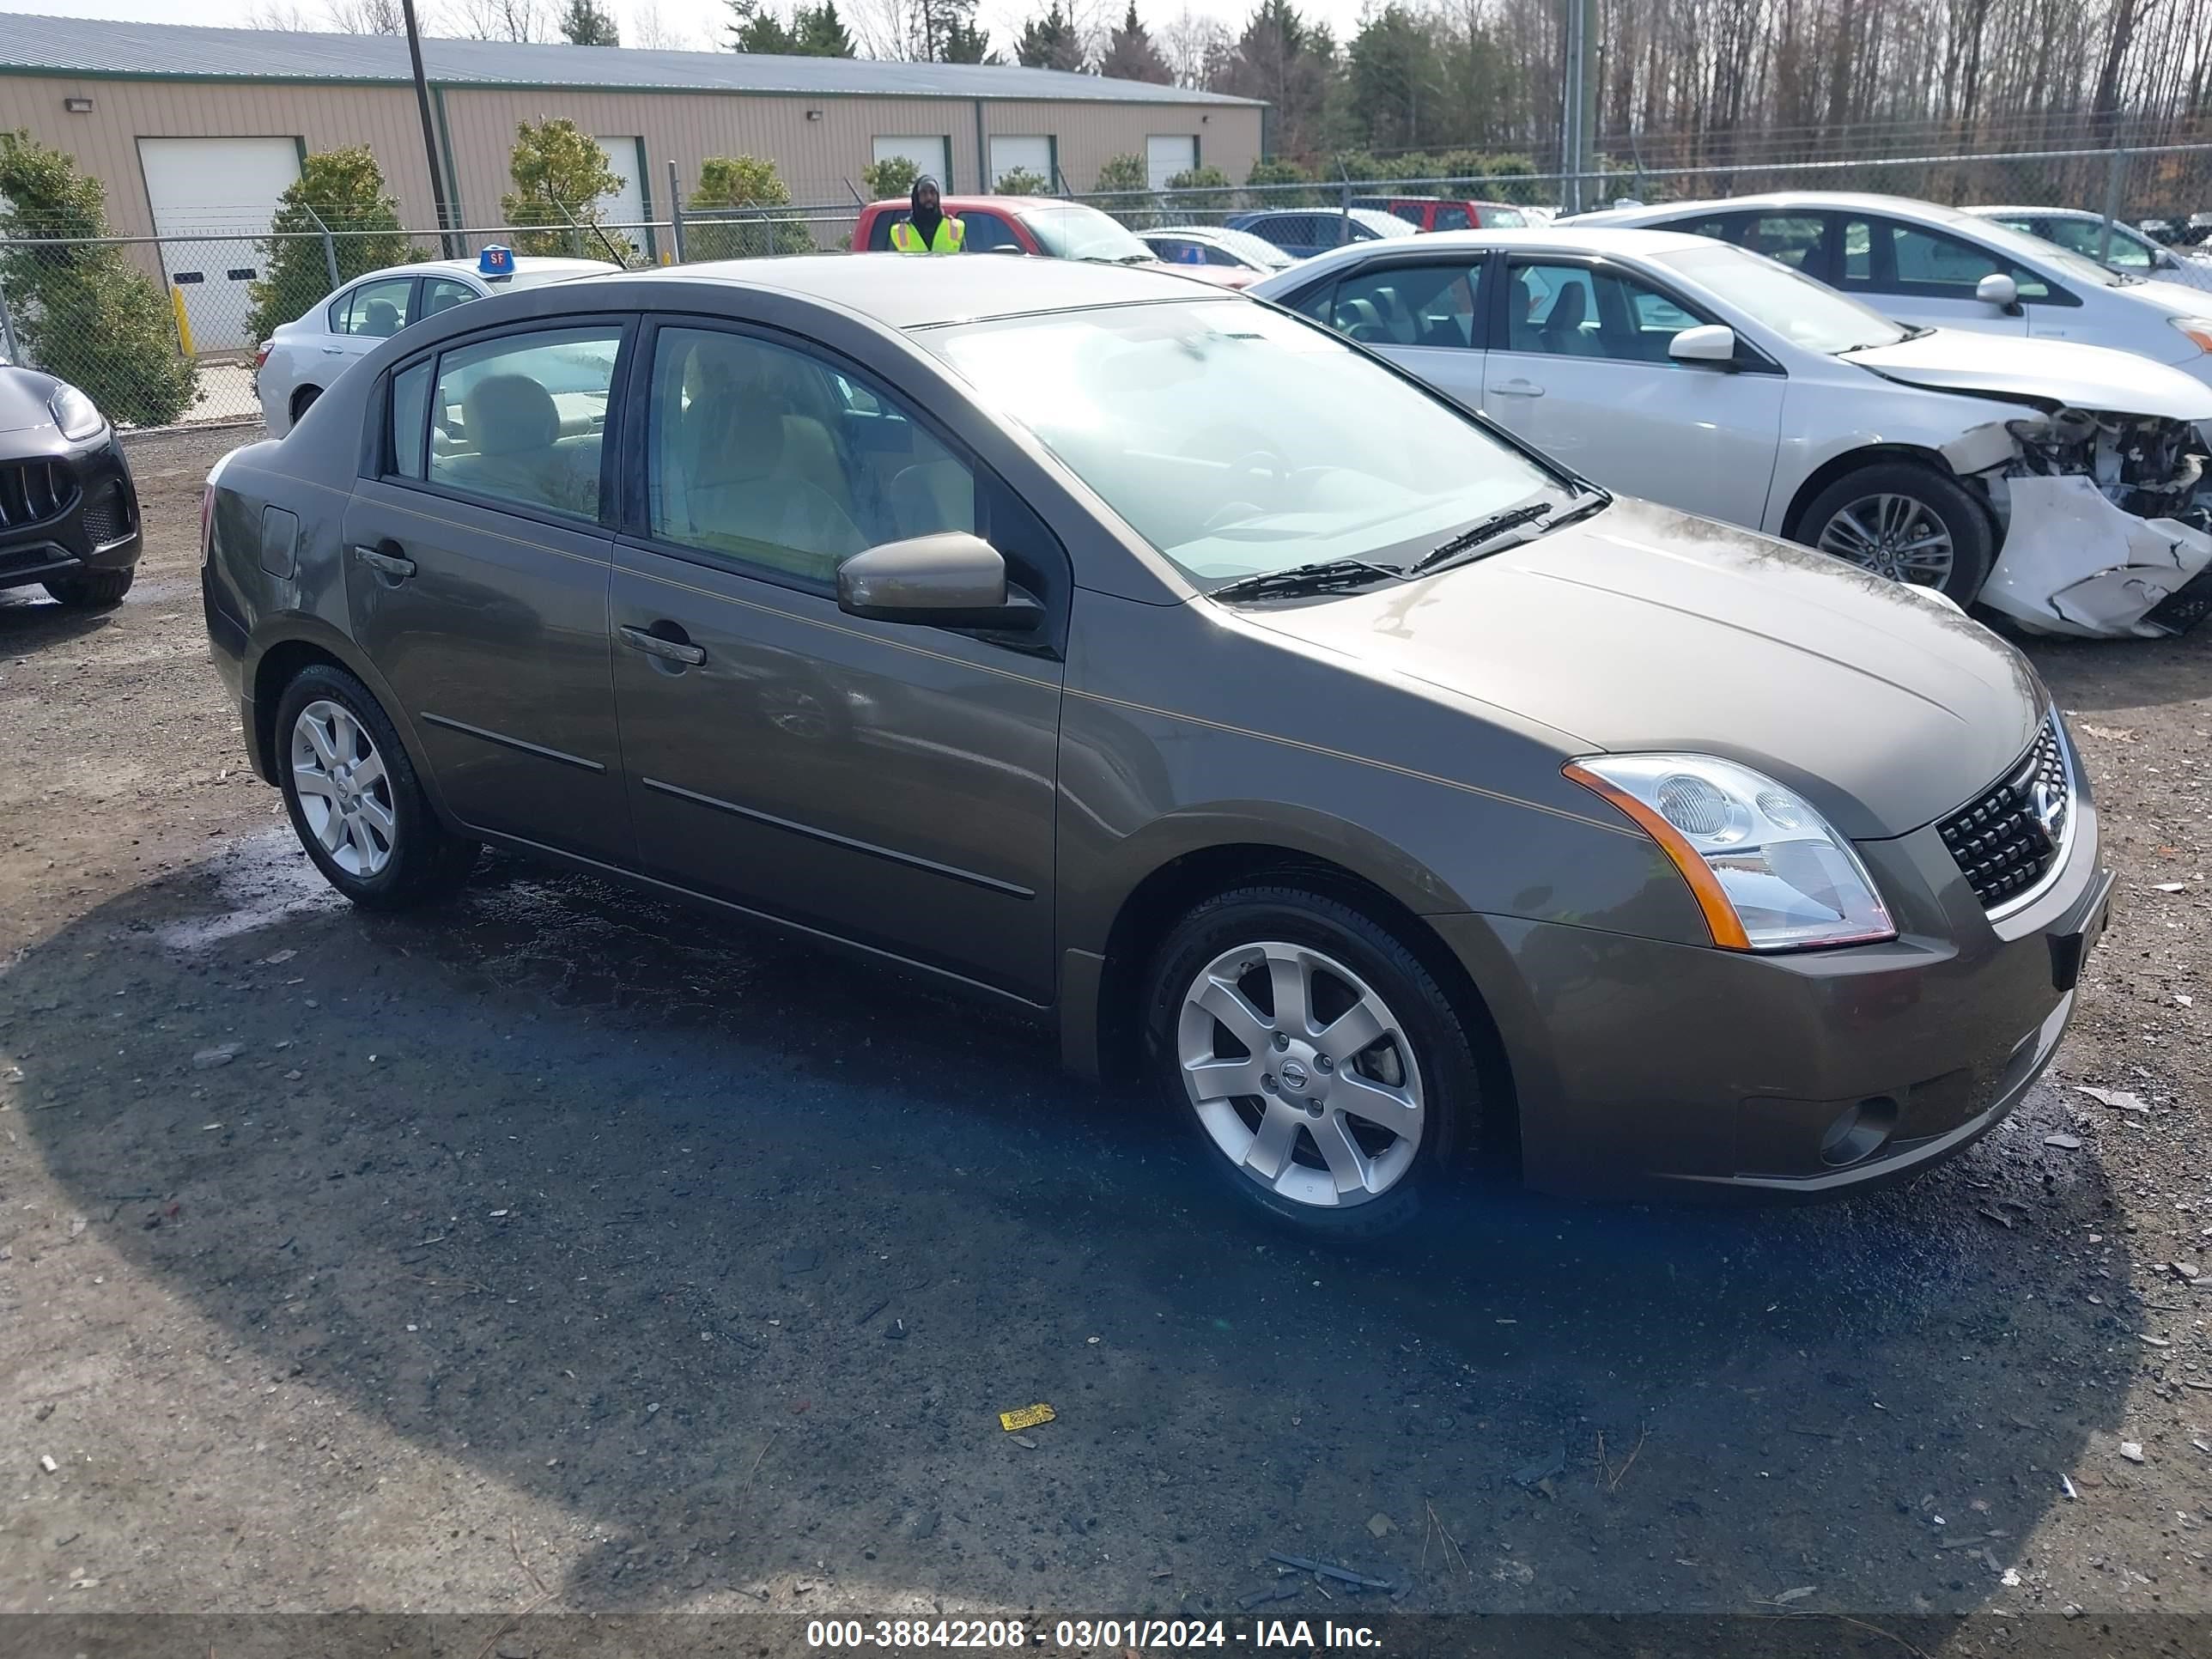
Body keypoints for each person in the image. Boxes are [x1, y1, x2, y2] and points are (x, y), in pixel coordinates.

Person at [890, 176, 964, 255]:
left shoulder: (953, 228)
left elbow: (964, 263)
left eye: (933, 192)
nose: (929, 197)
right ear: (916, 197)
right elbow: (893, 264)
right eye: (924, 193)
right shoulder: (901, 231)